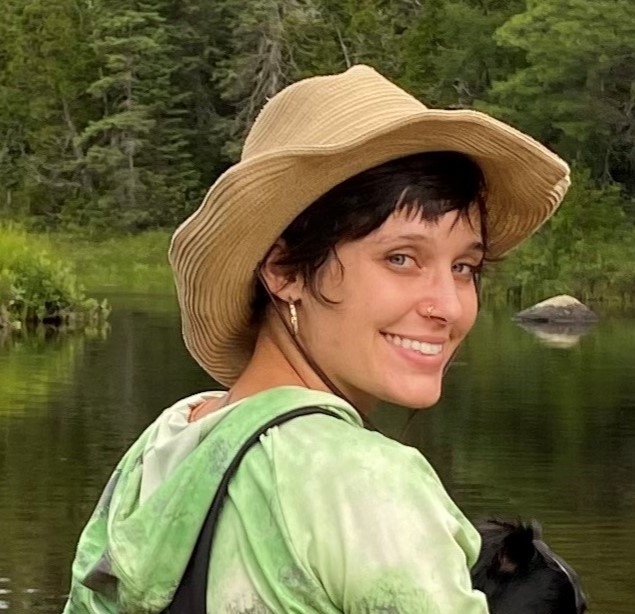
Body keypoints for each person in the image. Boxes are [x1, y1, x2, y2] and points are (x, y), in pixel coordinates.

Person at [63, 65, 570, 613]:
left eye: (465, 267)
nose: (448, 306)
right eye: (401, 258)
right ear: (284, 271)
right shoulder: (366, 483)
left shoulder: (167, 444)